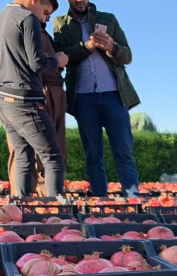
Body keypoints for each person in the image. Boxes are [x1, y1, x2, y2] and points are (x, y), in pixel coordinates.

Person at [53, 0, 140, 197]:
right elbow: (61, 56)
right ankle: (100, 200)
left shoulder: (107, 19)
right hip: (83, 98)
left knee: (123, 152)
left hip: (114, 96)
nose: (80, 1)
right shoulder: (60, 23)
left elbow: (127, 56)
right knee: (93, 155)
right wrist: (87, 46)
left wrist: (112, 46)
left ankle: (133, 199)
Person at [0, 0, 67, 197]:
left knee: (23, 157)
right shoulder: (27, 18)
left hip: (4, 98)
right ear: (34, 1)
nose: (44, 18)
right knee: (53, 158)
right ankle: (56, 216)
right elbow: (37, 63)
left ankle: (21, 213)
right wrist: (58, 60)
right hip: (26, 101)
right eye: (45, 10)